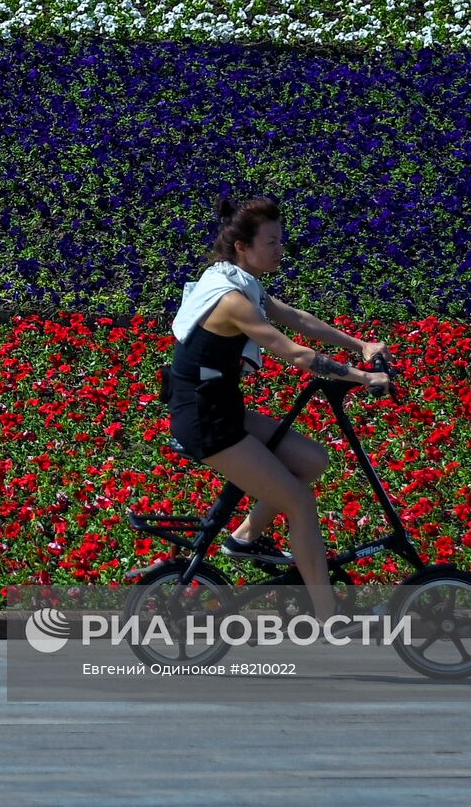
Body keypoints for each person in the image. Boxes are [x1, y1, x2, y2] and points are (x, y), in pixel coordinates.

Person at [166, 195, 391, 636]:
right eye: (271, 242)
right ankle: (328, 617)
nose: (279, 249)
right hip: (205, 419)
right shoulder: (231, 299)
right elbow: (292, 351)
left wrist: (360, 346)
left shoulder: (237, 278)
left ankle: (244, 538)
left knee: (312, 461)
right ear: (242, 247)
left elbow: (297, 318)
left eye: (280, 240)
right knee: (299, 502)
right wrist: (363, 377)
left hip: (221, 406)